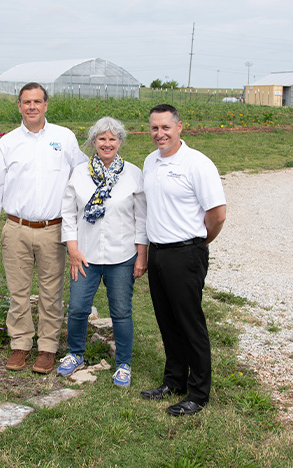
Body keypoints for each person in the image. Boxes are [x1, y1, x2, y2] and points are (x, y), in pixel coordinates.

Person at [0, 82, 87, 374]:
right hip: (16, 227)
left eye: (37, 101)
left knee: (51, 292)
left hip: (53, 229)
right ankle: (20, 344)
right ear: (19, 106)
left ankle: (47, 348)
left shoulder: (63, 138)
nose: (32, 107)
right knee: (18, 291)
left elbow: (82, 173)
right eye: (26, 102)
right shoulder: (7, 143)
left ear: (46, 105)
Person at [140, 104, 226, 416]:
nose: (159, 134)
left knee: (190, 324)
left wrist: (199, 243)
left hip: (186, 253)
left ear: (179, 127)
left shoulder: (197, 164)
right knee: (167, 321)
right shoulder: (150, 162)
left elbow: (217, 214)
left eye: (165, 127)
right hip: (159, 252)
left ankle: (198, 393)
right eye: (154, 128)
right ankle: (174, 380)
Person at [55, 117, 147, 387]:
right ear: (93, 142)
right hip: (85, 256)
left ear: (120, 142)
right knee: (78, 307)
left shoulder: (132, 173)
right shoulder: (80, 173)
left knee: (121, 311)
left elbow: (141, 218)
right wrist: (72, 249)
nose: (107, 144)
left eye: (112, 139)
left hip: (122, 256)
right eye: (101, 139)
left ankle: (123, 364)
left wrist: (141, 255)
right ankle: (75, 354)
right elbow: (69, 214)